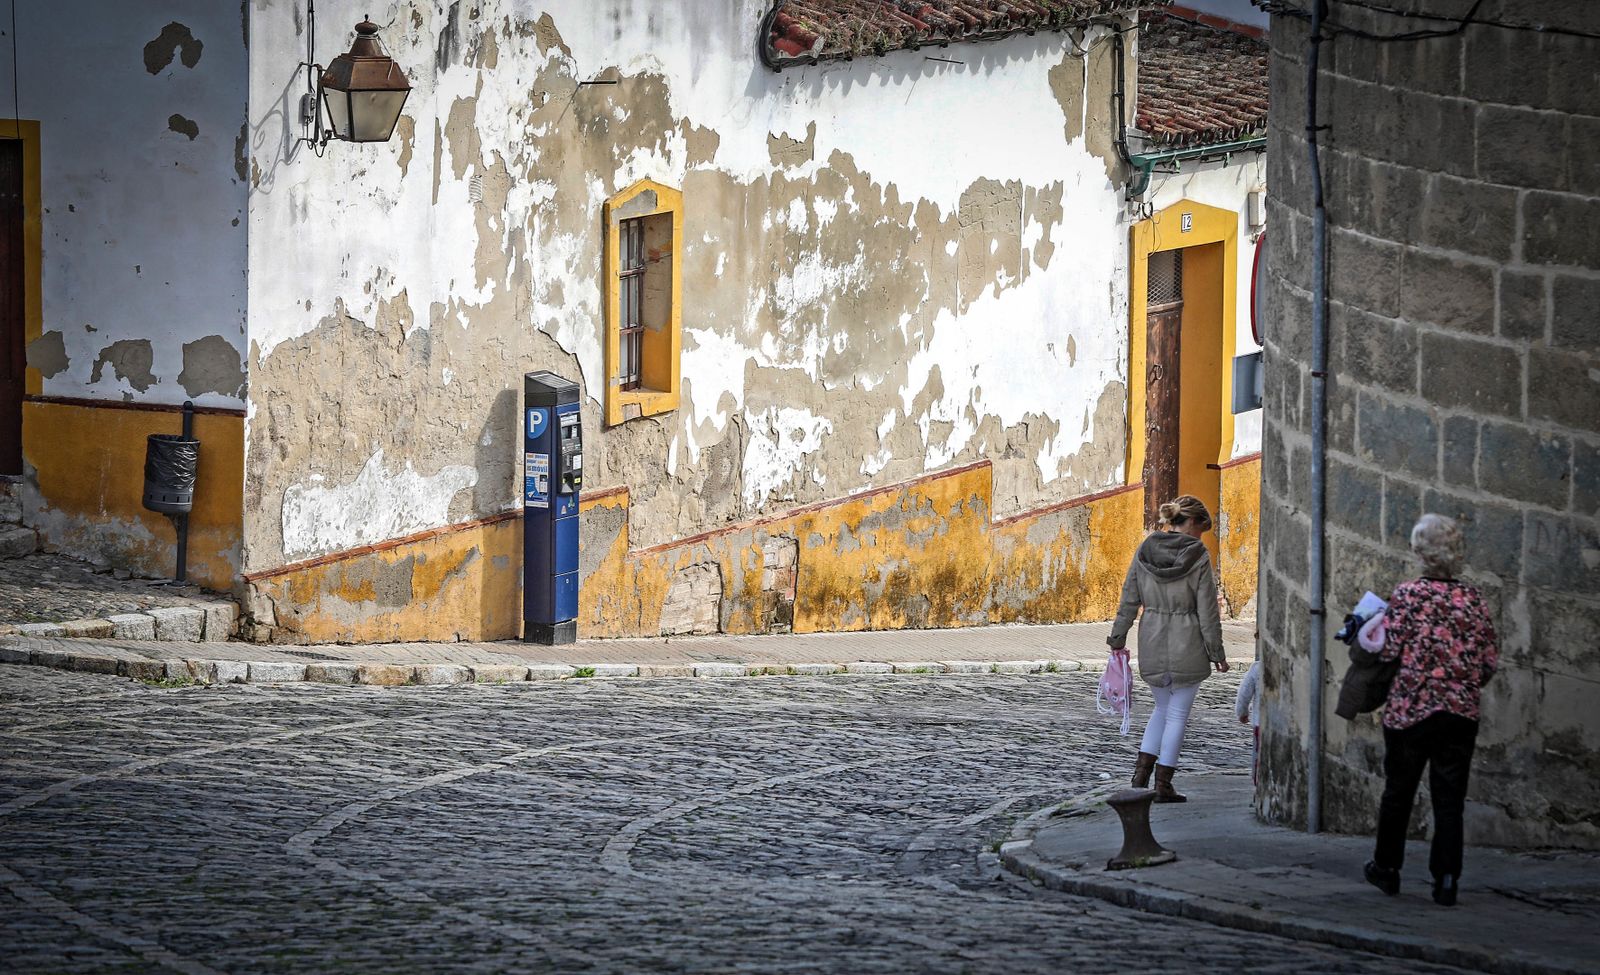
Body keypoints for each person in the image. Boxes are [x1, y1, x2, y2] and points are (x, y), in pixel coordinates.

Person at [1364, 514, 1498, 908]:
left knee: (1398, 792)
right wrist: (1460, 686)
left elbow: (1388, 651)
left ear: (1419, 551)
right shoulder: (1473, 600)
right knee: (1449, 798)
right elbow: (1488, 661)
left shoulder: (1408, 596)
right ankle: (1446, 879)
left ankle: (1387, 868)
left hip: (1411, 711)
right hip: (1459, 713)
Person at [1108, 494, 1228, 802]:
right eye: (1201, 529)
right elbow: (1207, 610)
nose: (1201, 537)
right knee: (1177, 716)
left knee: (1162, 708)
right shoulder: (1197, 554)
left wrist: (1117, 637)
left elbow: (1129, 598)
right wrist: (1217, 653)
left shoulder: (1145, 549)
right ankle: (1163, 785)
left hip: (1152, 638)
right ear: (1190, 523)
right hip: (1187, 640)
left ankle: (1140, 775)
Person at [1236, 657, 1262, 784]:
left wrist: (1242, 712)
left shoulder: (1256, 668)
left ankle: (1257, 780)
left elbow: (1244, 693)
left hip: (1260, 722)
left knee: (1258, 752)